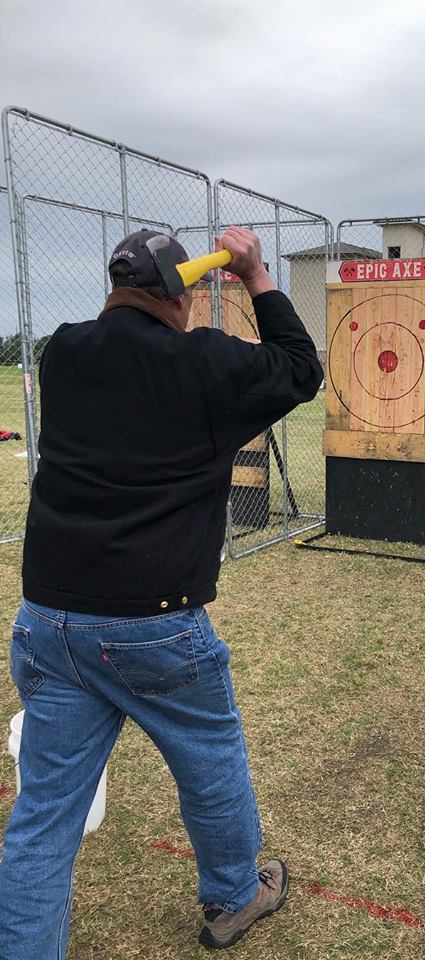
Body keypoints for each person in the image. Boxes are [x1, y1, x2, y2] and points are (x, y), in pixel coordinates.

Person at [0, 227, 324, 956]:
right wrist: (255, 275)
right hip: (152, 626)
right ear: (180, 298)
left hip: (48, 622)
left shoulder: (64, 351)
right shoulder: (202, 362)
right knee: (211, 760)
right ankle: (235, 897)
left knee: (44, 819)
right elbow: (300, 370)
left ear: (114, 287)